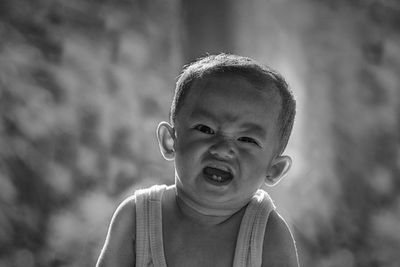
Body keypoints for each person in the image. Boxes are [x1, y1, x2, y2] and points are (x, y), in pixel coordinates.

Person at [96, 54, 299, 267]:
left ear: (274, 169)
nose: (222, 149)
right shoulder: (138, 219)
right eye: (206, 129)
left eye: (246, 139)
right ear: (169, 141)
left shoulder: (266, 234)